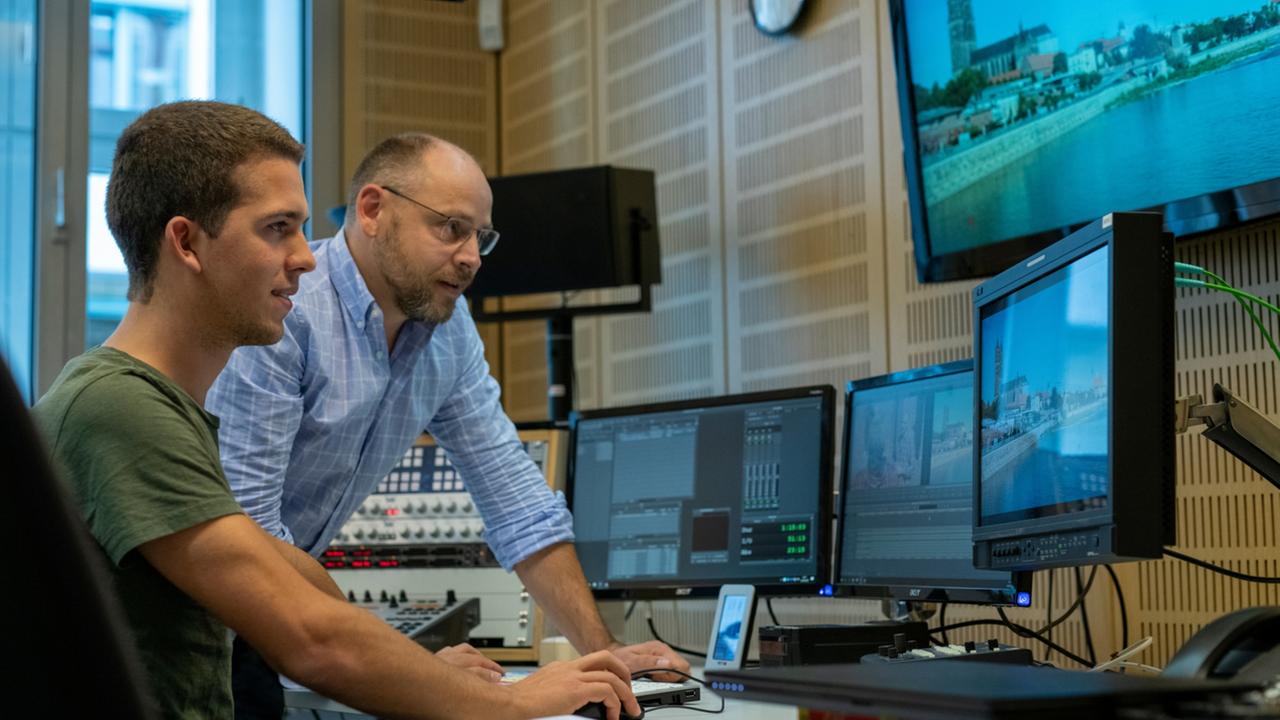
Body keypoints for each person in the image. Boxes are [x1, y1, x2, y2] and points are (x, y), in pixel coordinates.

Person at [33, 101, 639, 720]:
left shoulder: (158, 406)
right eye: (277, 229)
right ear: (186, 242)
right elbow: (312, 639)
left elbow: (282, 568)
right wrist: (506, 702)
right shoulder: (121, 409)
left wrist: (427, 668)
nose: (304, 256)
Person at [207, 132, 690, 713]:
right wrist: (409, 667)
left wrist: (607, 651)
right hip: (195, 631)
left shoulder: (449, 328)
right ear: (373, 210)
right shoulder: (286, 311)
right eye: (450, 228)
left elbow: (515, 499)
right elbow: (255, 532)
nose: (471, 257)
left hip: (272, 630)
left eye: (481, 237)